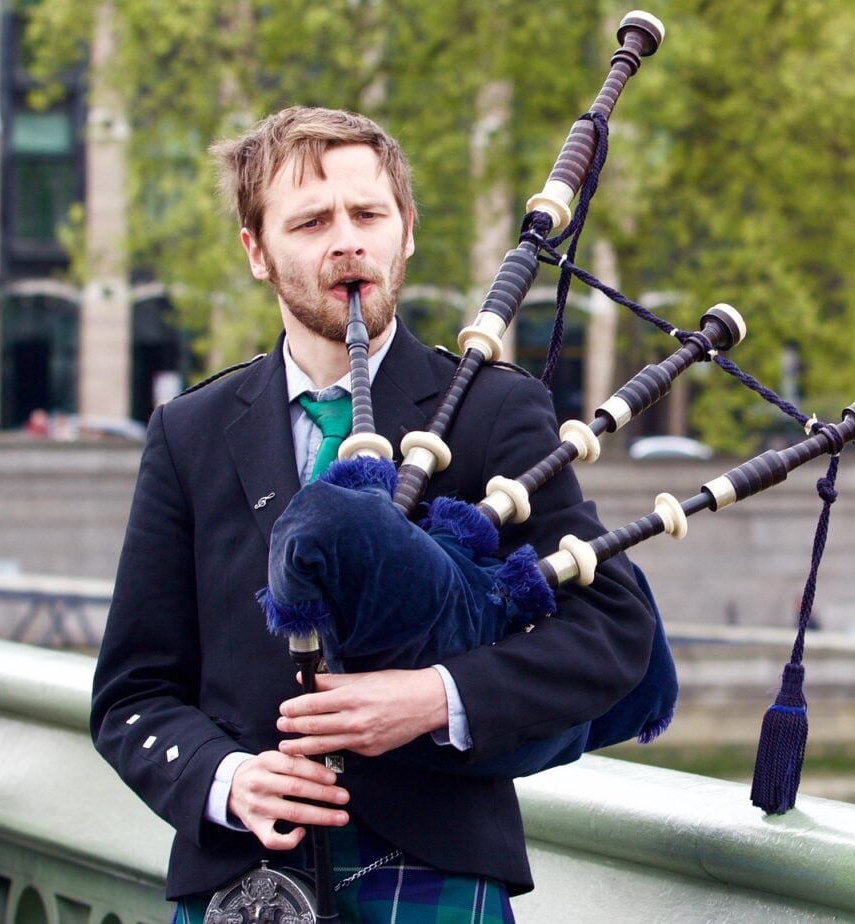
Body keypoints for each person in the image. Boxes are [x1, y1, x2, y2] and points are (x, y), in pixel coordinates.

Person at [91, 106, 657, 922]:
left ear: (407, 233)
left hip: (436, 865)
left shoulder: (494, 413)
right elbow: (132, 692)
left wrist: (437, 695)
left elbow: (613, 630)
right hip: (246, 887)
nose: (346, 241)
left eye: (368, 214)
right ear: (258, 252)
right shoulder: (193, 432)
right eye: (312, 221)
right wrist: (227, 779)